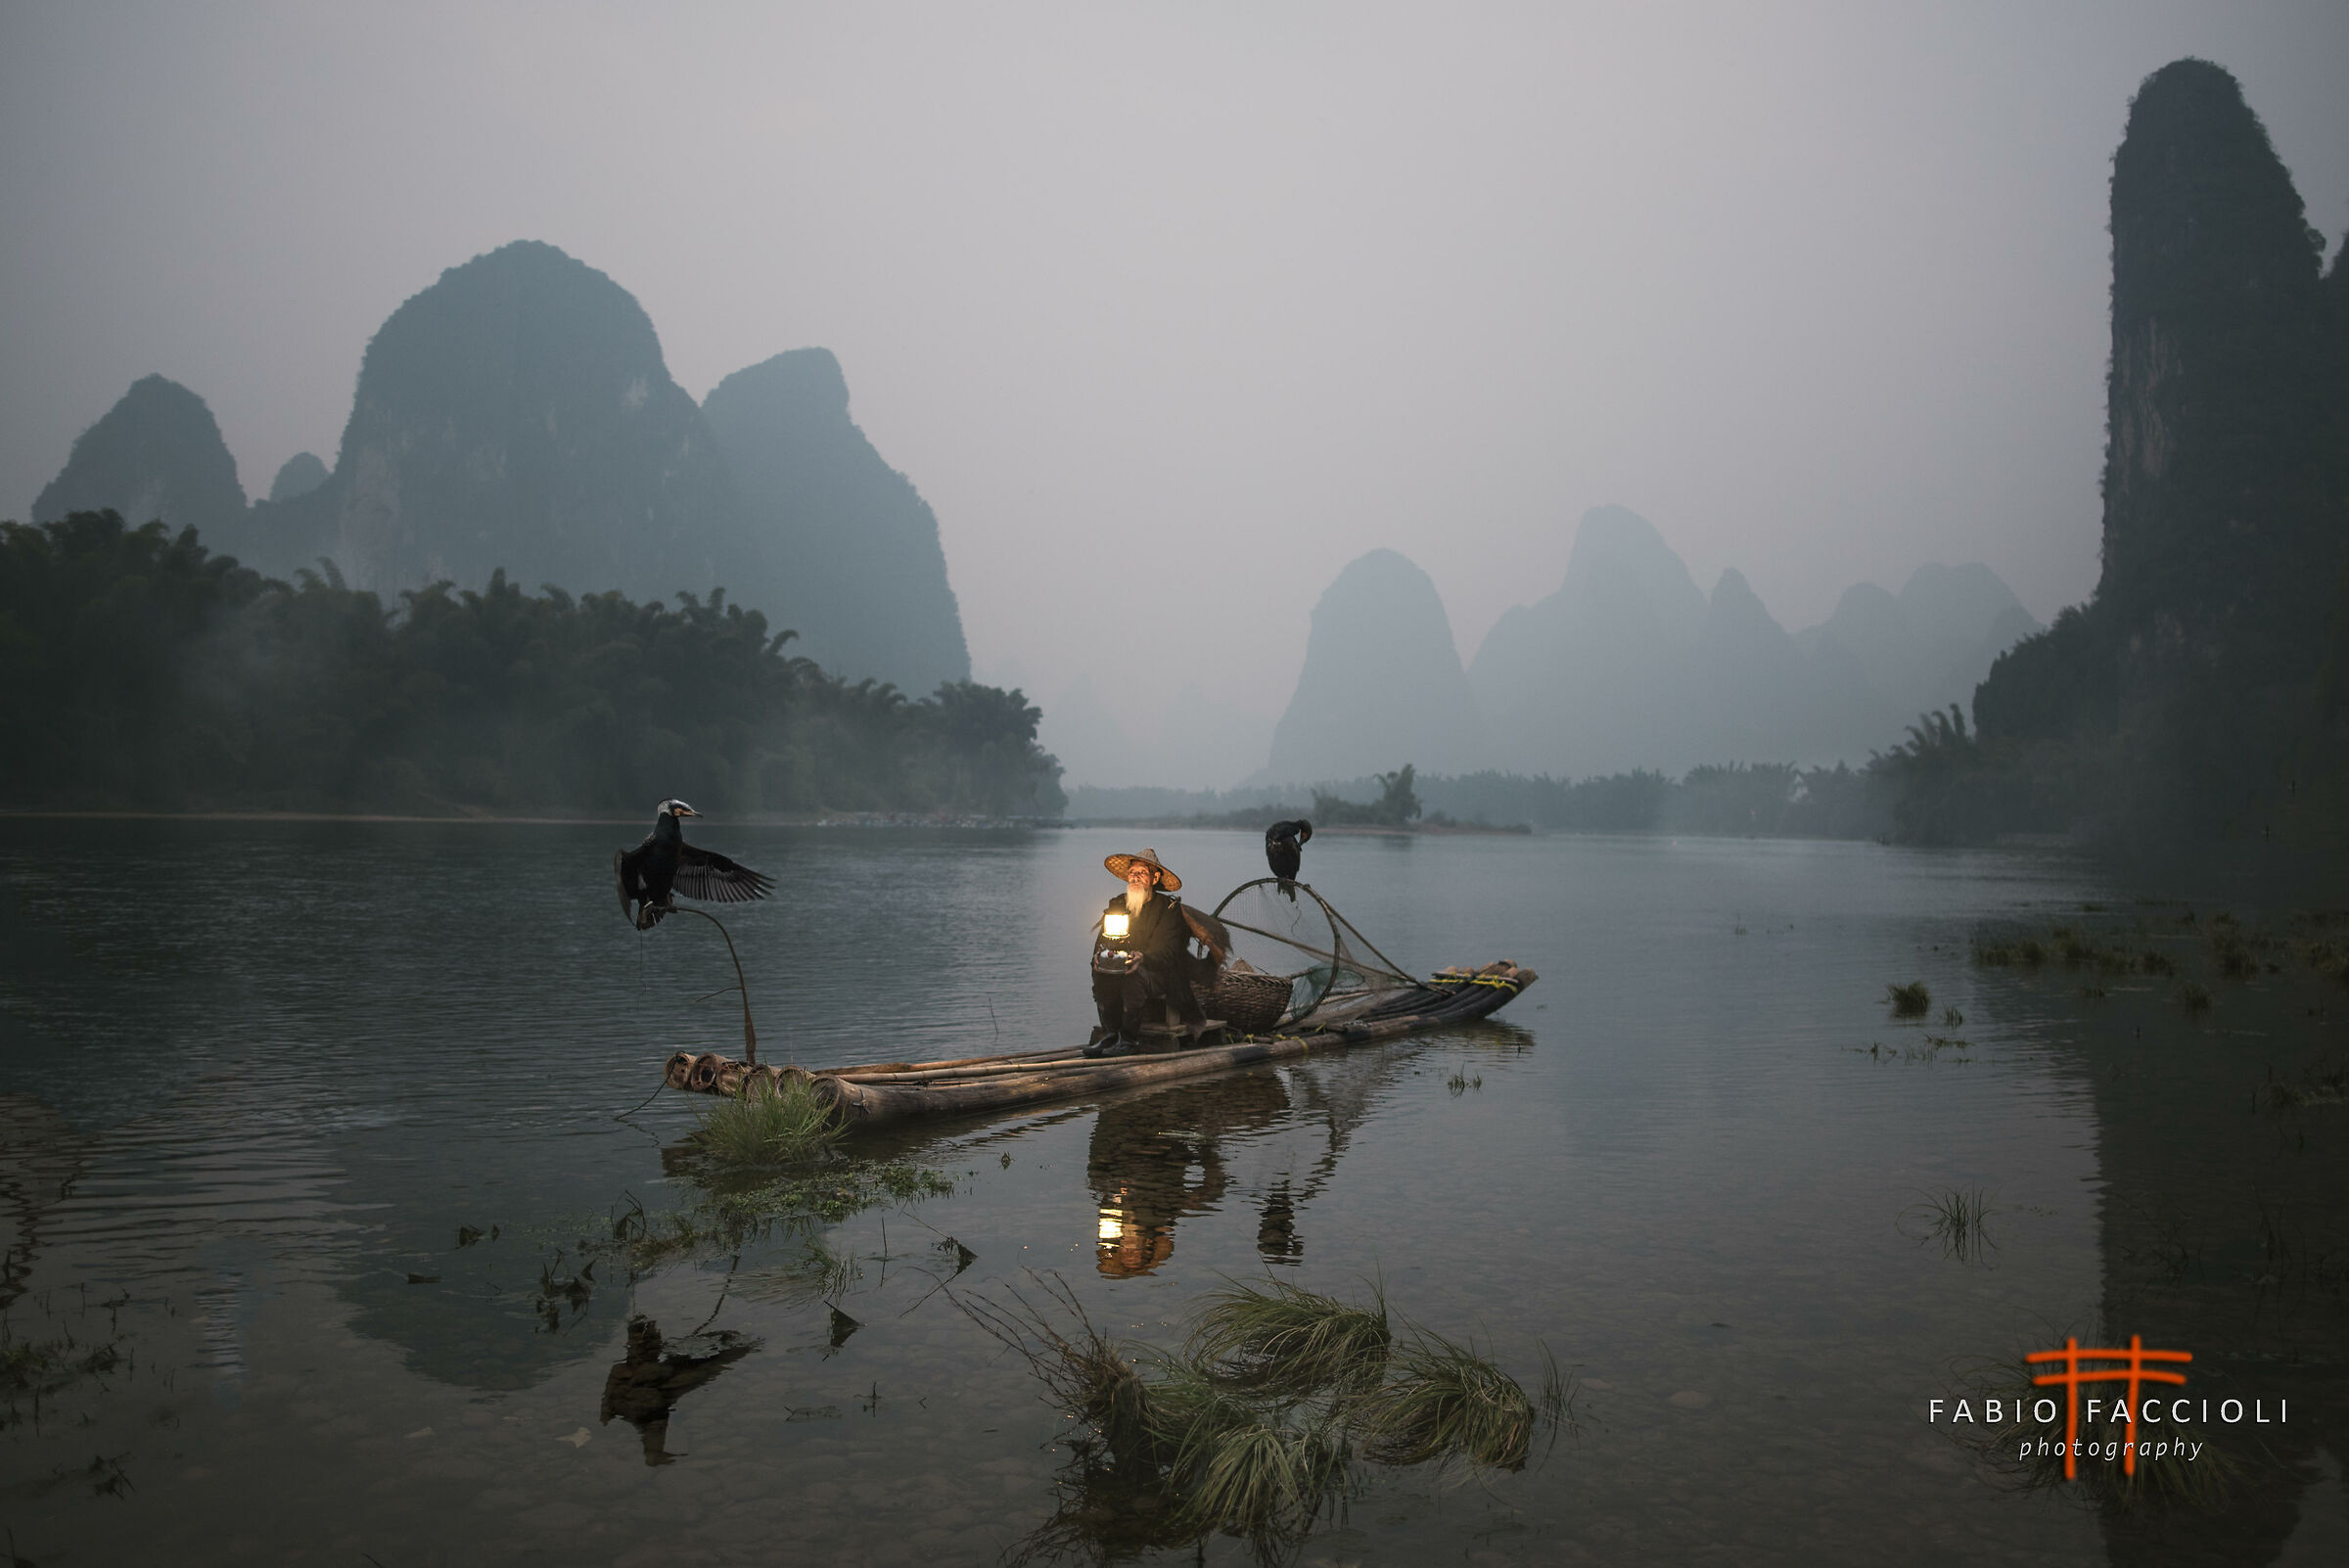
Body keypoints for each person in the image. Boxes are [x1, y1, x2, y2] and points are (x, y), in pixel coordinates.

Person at [1090, 847, 1208, 1046]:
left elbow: (1169, 951)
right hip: (1124, 966)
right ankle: (1111, 1033)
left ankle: (1128, 1039)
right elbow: (1103, 940)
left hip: (1160, 973)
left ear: (1154, 879)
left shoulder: (1168, 909)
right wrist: (1100, 956)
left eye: (1142, 873)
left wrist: (1142, 957)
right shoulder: (1118, 904)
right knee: (1103, 969)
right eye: (1132, 873)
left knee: (1132, 974)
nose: (1135, 877)